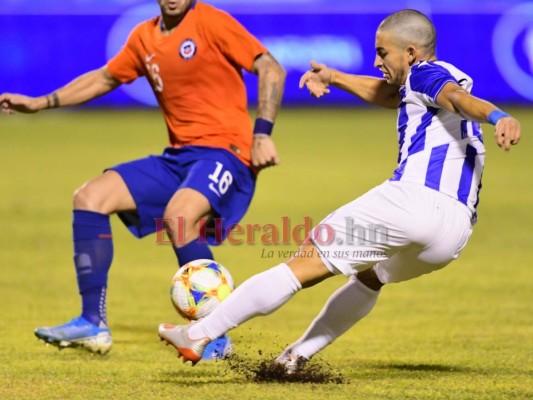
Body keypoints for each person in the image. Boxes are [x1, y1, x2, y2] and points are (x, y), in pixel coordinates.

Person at [157, 9, 521, 371]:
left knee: (303, 263)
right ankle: (292, 358)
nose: (377, 60)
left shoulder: (428, 74)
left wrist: (497, 116)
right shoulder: (426, 83)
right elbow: (390, 95)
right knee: (369, 277)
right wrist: (334, 76)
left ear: (410, 53)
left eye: (383, 53)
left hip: (413, 201)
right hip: (453, 234)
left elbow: (457, 98)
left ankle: (199, 334)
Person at [0, 0, 286, 356]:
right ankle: (93, 324)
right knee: (90, 197)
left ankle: (215, 335)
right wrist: (41, 103)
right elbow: (106, 77)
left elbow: (271, 68)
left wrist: (262, 133)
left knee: (180, 218)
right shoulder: (144, 36)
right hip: (179, 156)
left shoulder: (211, 22)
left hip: (229, 151)